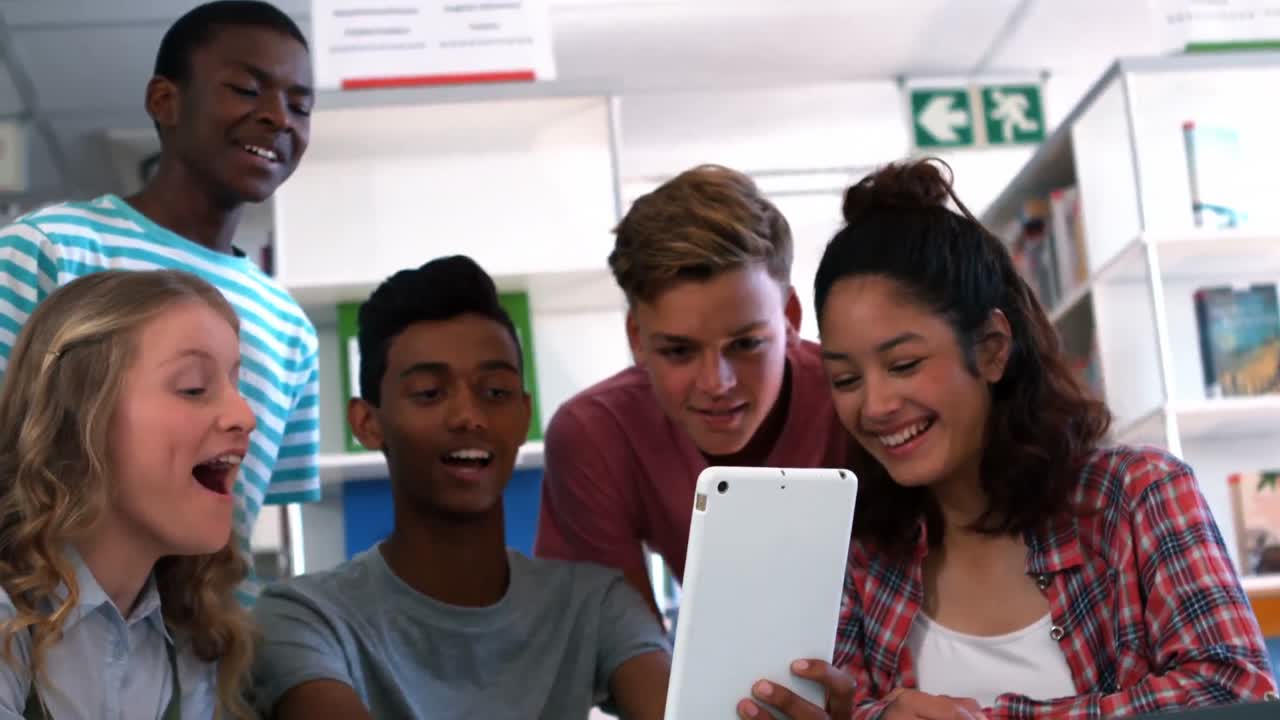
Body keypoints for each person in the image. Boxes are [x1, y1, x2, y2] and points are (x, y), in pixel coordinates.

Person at [736, 158, 1279, 719]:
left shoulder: (1138, 494)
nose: (874, 406)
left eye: (904, 364)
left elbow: (1235, 693)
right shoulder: (855, 558)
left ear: (993, 348)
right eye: (845, 379)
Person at [250, 256, 671, 719]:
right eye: (430, 393)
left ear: (524, 415)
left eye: (495, 392)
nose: (469, 417)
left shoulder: (594, 604)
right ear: (367, 423)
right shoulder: (306, 619)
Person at [0, 1, 319, 605]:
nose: (278, 118)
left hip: (198, 664)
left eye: (300, 106)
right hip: (36, 634)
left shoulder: (291, 331)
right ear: (165, 101)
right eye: (248, 89)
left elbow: (242, 535)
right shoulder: (46, 251)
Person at [535, 164, 852, 619]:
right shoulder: (596, 434)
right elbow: (626, 649)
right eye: (679, 352)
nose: (716, 383)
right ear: (637, 339)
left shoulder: (856, 401)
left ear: (791, 318)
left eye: (746, 345)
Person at [0, 270, 258, 719]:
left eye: (237, 384)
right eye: (194, 388)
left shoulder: (194, 644)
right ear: (80, 419)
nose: (244, 415)